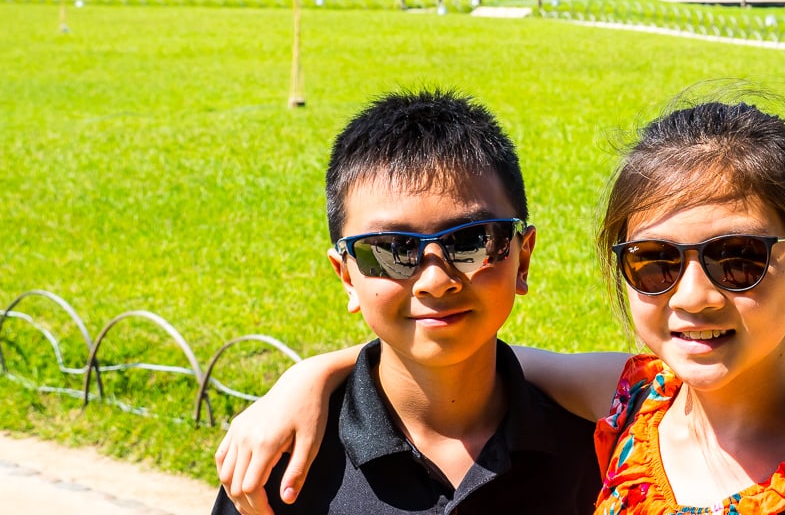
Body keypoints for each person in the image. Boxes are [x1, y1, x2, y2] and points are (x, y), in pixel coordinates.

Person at [219, 96, 785, 515]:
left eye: (739, 260)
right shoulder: (637, 404)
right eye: (655, 263)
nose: (693, 298)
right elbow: (456, 348)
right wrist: (312, 376)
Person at [212, 90, 600, 515]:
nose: (435, 282)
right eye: (390, 249)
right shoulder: (283, 461)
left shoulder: (598, 449)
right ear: (346, 276)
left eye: (471, 241)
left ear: (521, 257)